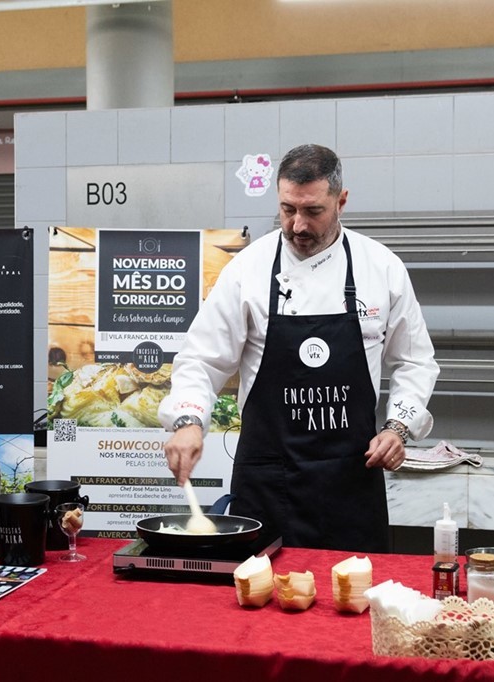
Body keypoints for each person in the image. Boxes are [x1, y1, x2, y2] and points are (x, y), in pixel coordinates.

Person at [159, 144, 439, 553]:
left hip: (351, 483)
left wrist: (398, 428)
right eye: (288, 209)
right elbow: (202, 358)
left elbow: (415, 361)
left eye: (313, 212)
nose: (298, 226)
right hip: (268, 483)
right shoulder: (247, 270)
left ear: (341, 201)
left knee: (352, 603)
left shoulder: (381, 268)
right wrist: (187, 421)